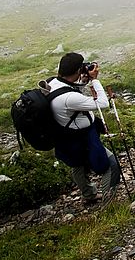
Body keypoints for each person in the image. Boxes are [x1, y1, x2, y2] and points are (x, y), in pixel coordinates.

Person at [49, 52, 121, 206]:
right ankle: (108, 203)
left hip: (66, 137)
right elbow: (103, 103)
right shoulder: (68, 98)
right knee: (111, 164)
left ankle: (89, 195)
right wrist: (94, 80)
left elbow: (70, 90)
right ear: (76, 71)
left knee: (78, 165)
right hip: (82, 138)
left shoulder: (53, 83)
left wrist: (82, 82)